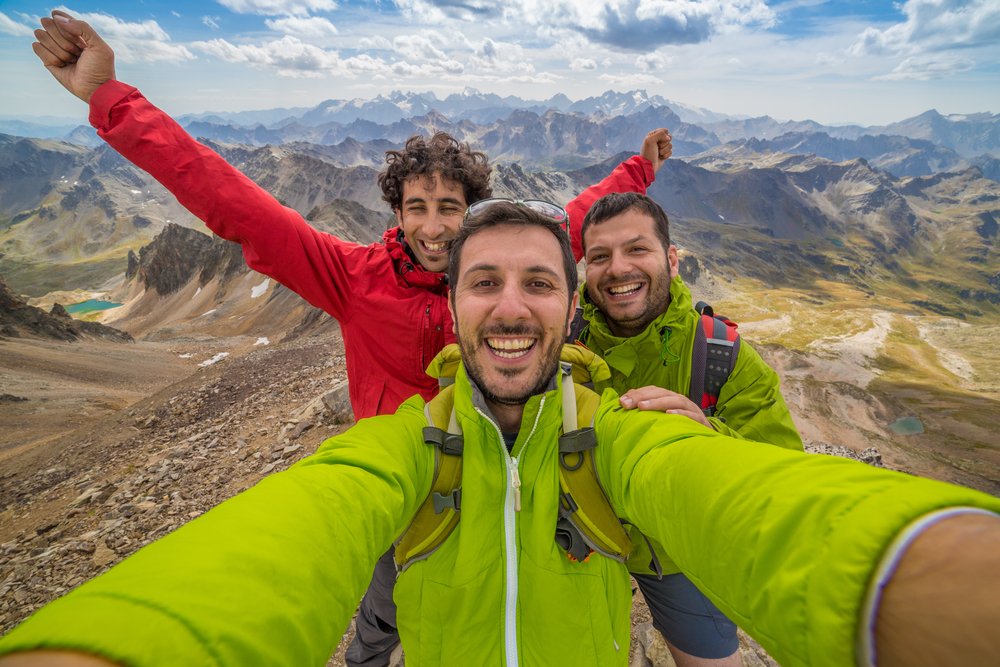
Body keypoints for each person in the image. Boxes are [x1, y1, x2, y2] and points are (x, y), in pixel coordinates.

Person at [1, 202, 998, 667]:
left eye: (537, 283)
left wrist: (917, 571)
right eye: (484, 280)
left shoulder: (622, 433)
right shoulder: (404, 442)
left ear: (569, 309)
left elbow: (756, 504)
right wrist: (122, 645)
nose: (511, 306)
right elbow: (296, 523)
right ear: (453, 302)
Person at [30, 12, 667, 666]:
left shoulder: (493, 277)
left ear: (470, 212)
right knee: (381, 620)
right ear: (396, 211)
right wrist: (110, 98)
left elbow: (581, 212)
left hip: (502, 470)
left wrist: (639, 171)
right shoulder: (353, 279)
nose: (434, 225)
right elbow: (234, 202)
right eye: (417, 206)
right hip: (402, 488)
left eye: (450, 207)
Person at [576, 191, 803, 665]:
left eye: (637, 249)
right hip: (582, 543)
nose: (618, 269)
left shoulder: (722, 354)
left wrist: (708, 437)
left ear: (672, 260)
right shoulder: (562, 341)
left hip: (677, 554)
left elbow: (783, 471)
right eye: (600, 256)